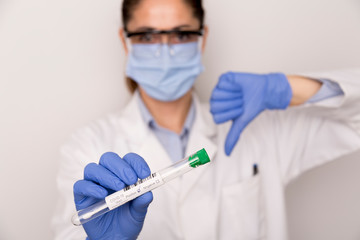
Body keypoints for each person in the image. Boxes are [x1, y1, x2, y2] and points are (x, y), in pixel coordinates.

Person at [51, 0, 360, 239]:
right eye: (147, 36)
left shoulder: (261, 129)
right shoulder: (86, 147)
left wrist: (283, 88)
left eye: (181, 34)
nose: (165, 51)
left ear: (202, 38)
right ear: (125, 41)